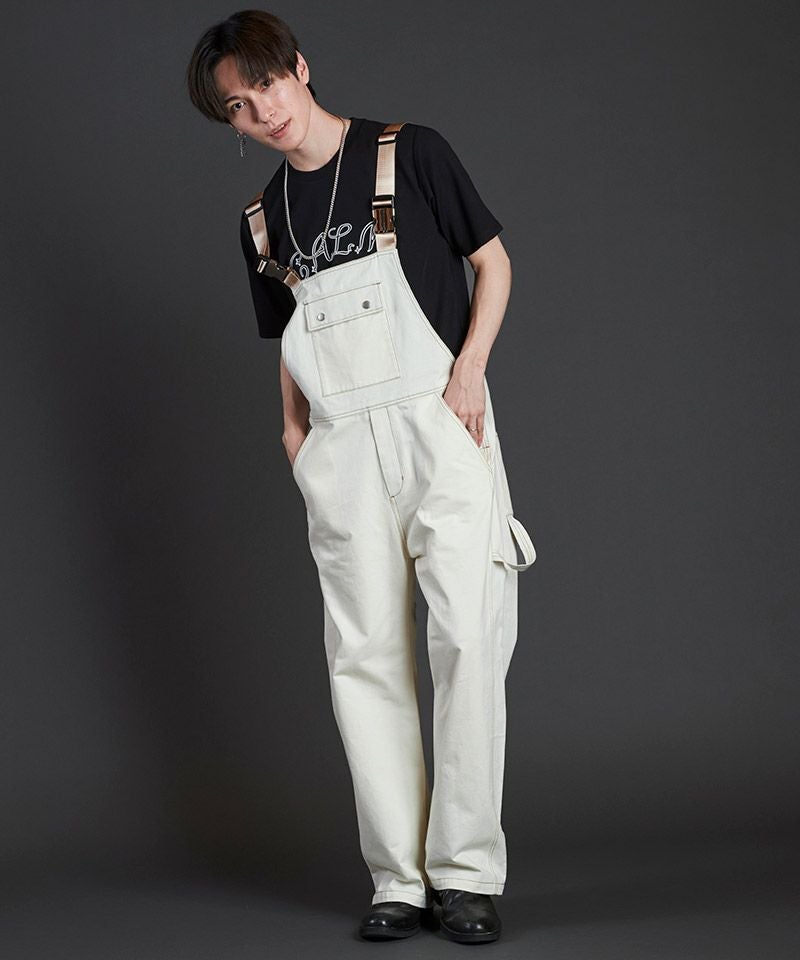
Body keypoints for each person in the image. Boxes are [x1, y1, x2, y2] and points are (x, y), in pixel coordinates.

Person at [186, 9, 536, 944]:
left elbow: (493, 264)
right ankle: (398, 880)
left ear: (299, 68)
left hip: (439, 421)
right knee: (364, 657)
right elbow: (290, 337)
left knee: (468, 640)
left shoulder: (408, 153)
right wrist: (293, 433)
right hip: (339, 448)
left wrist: (470, 371)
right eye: (237, 106)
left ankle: (465, 874)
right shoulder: (262, 219)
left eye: (266, 84)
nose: (262, 111)